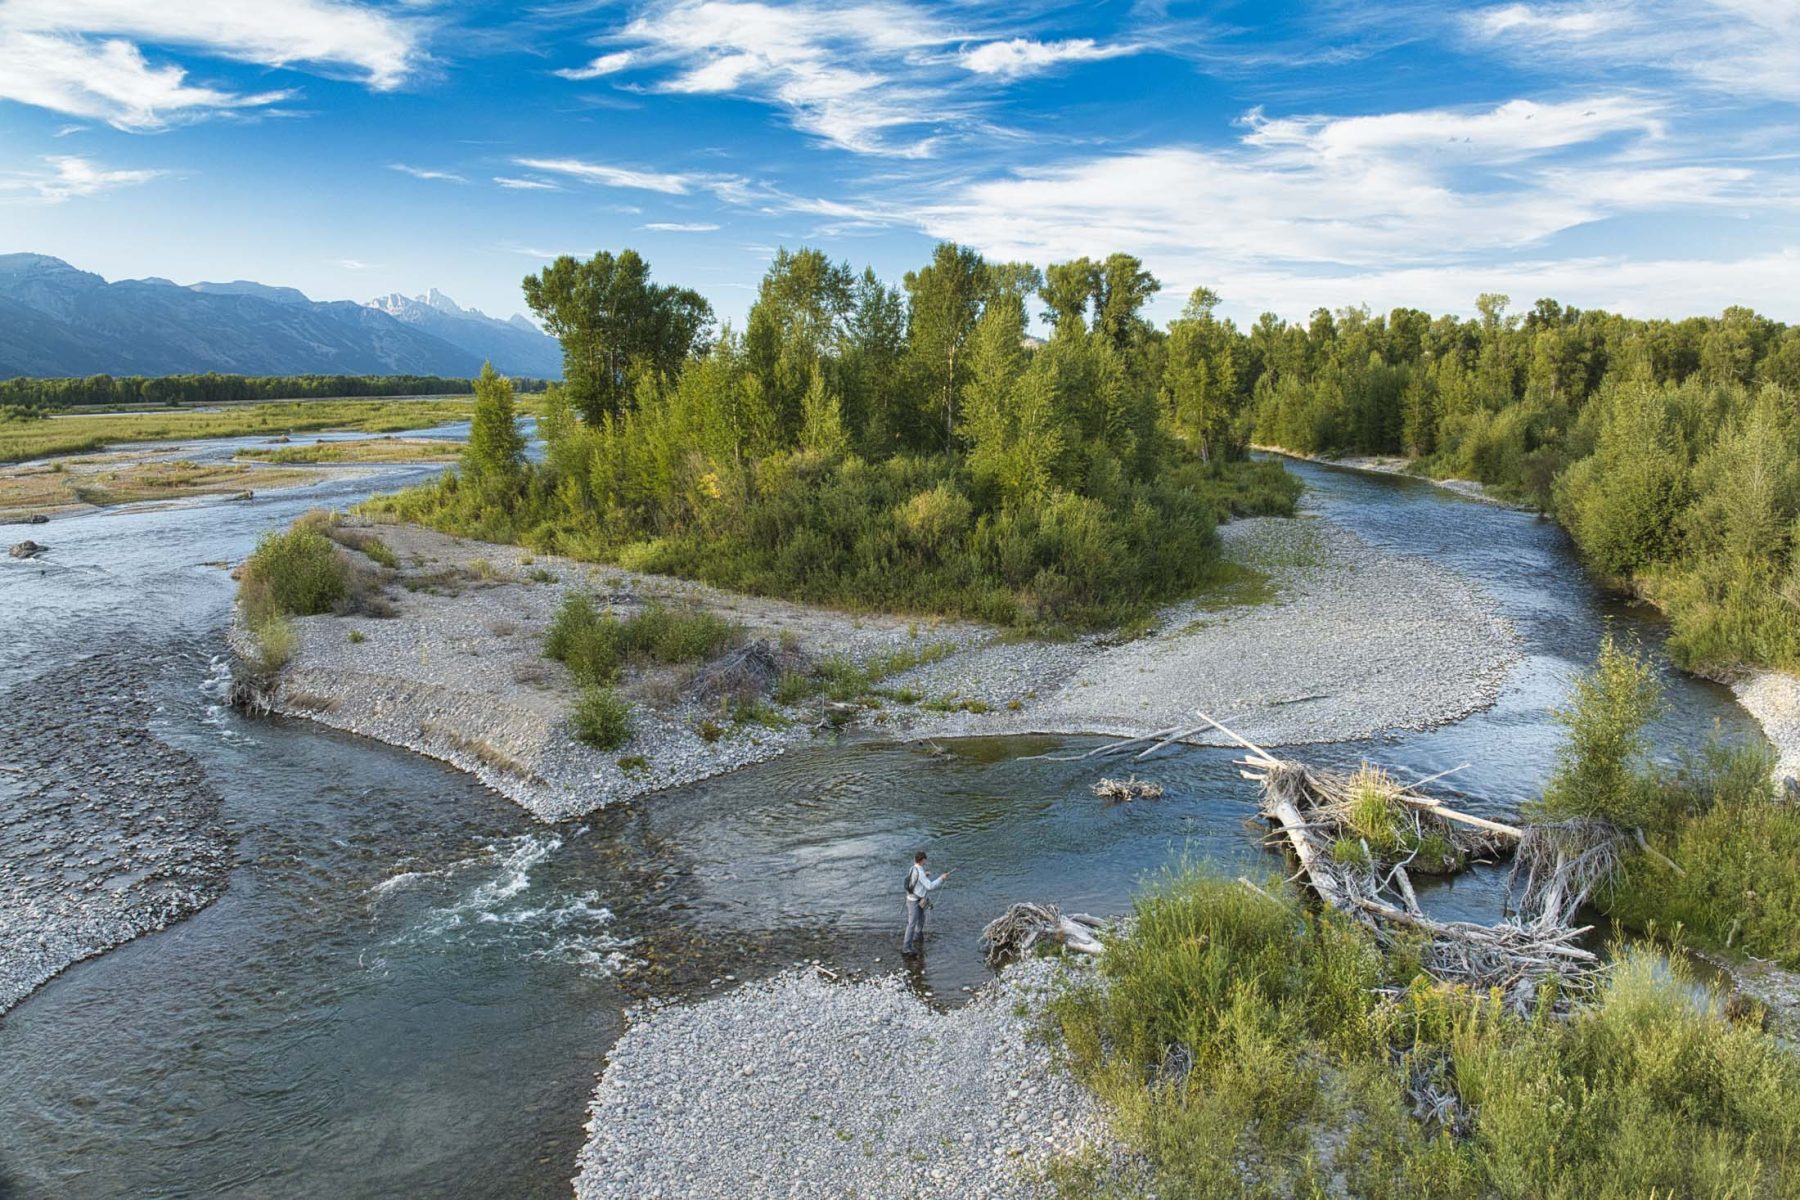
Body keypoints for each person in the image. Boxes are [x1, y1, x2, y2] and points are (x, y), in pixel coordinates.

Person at [902, 851, 951, 955]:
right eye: (925, 860)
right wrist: (941, 878)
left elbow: (915, 880)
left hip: (918, 899)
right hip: (913, 901)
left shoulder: (913, 868)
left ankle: (917, 937)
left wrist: (925, 875)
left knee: (921, 919)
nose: (926, 861)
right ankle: (906, 947)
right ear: (922, 860)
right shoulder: (919, 871)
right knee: (911, 924)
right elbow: (930, 886)